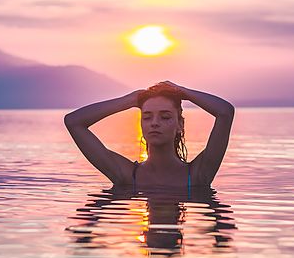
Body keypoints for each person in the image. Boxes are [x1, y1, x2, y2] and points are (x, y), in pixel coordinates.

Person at [64, 80, 235, 193]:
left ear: (180, 125)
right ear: (141, 124)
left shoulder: (198, 175)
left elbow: (225, 112)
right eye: (147, 117)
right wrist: (129, 100)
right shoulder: (126, 175)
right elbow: (73, 121)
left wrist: (183, 92)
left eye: (165, 117)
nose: (154, 123)